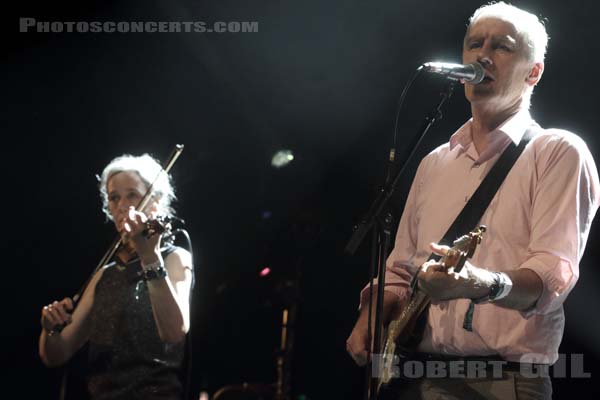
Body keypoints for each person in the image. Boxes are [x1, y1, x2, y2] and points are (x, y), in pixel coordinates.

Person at [346, 2, 600, 399]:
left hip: (507, 379)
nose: (482, 55)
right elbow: (400, 271)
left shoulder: (558, 152)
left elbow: (552, 275)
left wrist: (478, 283)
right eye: (474, 44)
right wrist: (371, 315)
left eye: (502, 46)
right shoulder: (434, 162)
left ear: (534, 72)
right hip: (422, 377)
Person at [39, 154, 194, 400]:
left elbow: (174, 332)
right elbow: (57, 354)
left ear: (155, 201)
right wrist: (50, 330)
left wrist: (149, 256)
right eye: (114, 198)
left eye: (132, 194)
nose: (122, 205)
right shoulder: (105, 274)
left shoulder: (175, 258)